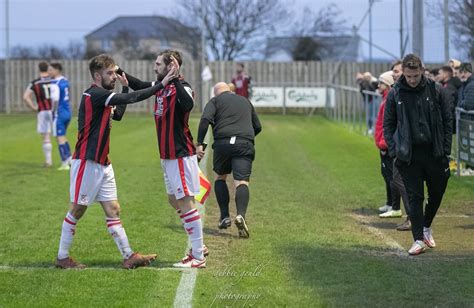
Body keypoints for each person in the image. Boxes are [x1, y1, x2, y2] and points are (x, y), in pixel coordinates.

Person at [55, 54, 176, 269]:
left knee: (113, 209)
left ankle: (129, 256)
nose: (114, 76)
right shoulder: (95, 94)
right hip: (87, 161)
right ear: (97, 75)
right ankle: (62, 257)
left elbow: (118, 114)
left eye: (114, 72)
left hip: (103, 163)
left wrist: (125, 88)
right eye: (110, 73)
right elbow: (131, 100)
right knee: (77, 210)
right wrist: (161, 85)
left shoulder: (104, 96)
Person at [117, 50, 207, 268]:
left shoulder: (181, 87)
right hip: (167, 156)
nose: (155, 67)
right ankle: (198, 246)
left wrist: (175, 79)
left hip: (179, 153)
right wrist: (118, 71)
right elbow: (140, 85)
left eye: (158, 64)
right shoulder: (161, 86)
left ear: (171, 66)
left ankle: (197, 255)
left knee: (185, 202)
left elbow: (188, 105)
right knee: (173, 199)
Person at [384, 54, 453, 255]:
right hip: (409, 155)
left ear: (422, 71)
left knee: (438, 192)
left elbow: (448, 121)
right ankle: (418, 239)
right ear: (403, 73)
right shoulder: (395, 93)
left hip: (435, 152)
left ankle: (426, 226)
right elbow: (389, 125)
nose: (412, 80)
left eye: (415, 75)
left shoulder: (436, 89)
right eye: (408, 76)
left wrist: (446, 149)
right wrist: (395, 151)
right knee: (415, 197)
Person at [197, 82, 262, 238]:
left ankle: (225, 216)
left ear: (216, 93)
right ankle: (240, 215)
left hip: (222, 144)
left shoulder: (215, 101)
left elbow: (205, 119)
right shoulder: (245, 100)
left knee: (220, 177)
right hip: (243, 143)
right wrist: (244, 136)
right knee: (242, 182)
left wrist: (200, 143)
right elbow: (257, 126)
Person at [23, 61, 54, 167]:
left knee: (46, 136)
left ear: (39, 69)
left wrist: (34, 107)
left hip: (43, 111)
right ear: (48, 68)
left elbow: (26, 97)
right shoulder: (53, 80)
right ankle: (66, 160)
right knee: (60, 135)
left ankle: (48, 161)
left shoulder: (35, 83)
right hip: (55, 111)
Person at [49, 63, 73, 170]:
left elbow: (55, 99)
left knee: (59, 137)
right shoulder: (65, 81)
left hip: (59, 113)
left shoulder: (55, 83)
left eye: (51, 70)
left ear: (57, 70)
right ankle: (69, 159)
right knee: (63, 135)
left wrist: (52, 111)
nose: (49, 72)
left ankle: (64, 163)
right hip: (67, 112)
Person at [439, 66, 459, 133]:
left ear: (445, 74)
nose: (438, 76)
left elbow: (448, 105)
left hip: (450, 121)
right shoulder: (446, 85)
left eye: (440, 73)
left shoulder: (449, 87)